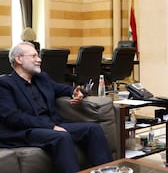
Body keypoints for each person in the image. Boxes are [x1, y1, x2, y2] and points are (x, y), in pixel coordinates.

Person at [0, 42, 113, 173]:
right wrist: (50, 127)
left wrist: (76, 92)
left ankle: (107, 171)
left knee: (93, 129)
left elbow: (63, 89)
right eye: (34, 56)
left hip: (50, 124)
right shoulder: (5, 84)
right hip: (23, 130)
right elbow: (13, 117)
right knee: (61, 137)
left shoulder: (42, 78)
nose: (39, 59)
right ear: (19, 59)